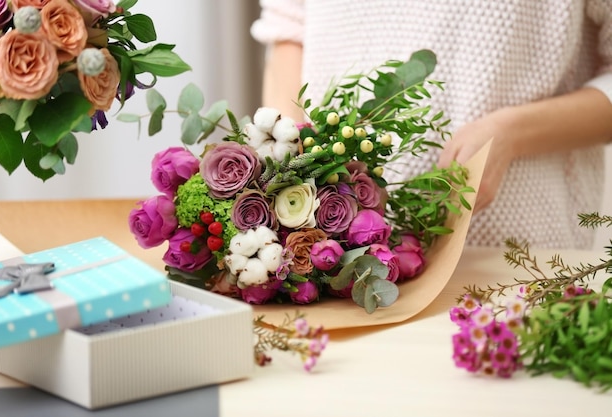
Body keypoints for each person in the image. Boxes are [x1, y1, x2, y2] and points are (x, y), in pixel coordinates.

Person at [250, 0, 612, 249]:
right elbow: (288, 27)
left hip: (511, 262)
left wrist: (512, 133)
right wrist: (287, 163)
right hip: (330, 256)